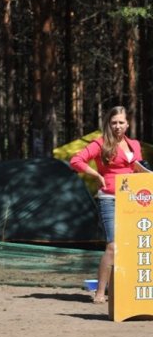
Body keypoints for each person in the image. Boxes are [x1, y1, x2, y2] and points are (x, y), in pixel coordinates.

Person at [70, 106, 142, 304]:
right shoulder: (100, 143)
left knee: (129, 247)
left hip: (132, 201)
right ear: (108, 124)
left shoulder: (134, 144)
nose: (117, 126)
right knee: (112, 246)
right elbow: (76, 160)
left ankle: (119, 288)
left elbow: (139, 168)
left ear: (127, 124)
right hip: (109, 199)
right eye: (114, 123)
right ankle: (100, 292)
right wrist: (97, 175)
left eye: (121, 122)